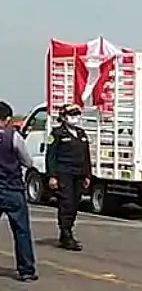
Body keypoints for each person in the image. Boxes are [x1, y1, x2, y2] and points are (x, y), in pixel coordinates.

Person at [46, 103, 92, 251]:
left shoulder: (81, 133)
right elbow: (51, 156)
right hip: (64, 173)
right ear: (64, 117)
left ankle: (67, 231)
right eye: (72, 115)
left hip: (79, 174)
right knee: (66, 203)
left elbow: (86, 156)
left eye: (77, 115)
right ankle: (66, 233)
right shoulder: (57, 133)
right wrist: (52, 176)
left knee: (75, 203)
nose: (75, 118)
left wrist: (87, 175)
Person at [0, 101, 38, 281]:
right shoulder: (14, 137)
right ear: (7, 119)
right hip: (12, 188)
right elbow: (27, 162)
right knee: (21, 230)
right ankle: (26, 270)